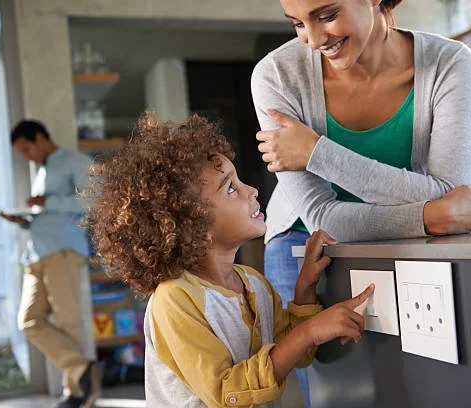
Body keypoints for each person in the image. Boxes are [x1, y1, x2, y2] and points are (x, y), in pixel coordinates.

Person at [251, 0, 471, 405]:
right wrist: (430, 215)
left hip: (407, 242)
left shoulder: (449, 63)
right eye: (297, 24)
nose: (313, 40)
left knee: (415, 385)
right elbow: (322, 217)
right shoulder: (277, 76)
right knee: (326, 392)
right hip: (305, 249)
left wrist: (316, 153)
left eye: (327, 16)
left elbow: (454, 190)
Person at [85, 113, 374, 407]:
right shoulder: (175, 300)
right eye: (231, 188)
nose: (252, 190)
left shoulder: (254, 284)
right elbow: (227, 392)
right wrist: (309, 330)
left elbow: (293, 352)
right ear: (191, 225)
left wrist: (305, 288)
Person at [0, 120, 100, 408]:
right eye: (21, 153)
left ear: (41, 137)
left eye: (27, 149)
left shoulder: (76, 161)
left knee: (69, 323)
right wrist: (25, 221)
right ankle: (82, 370)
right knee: (29, 321)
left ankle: (78, 395)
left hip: (64, 252)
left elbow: (93, 201)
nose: (26, 156)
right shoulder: (41, 172)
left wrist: (48, 202)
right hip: (37, 253)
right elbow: (48, 213)